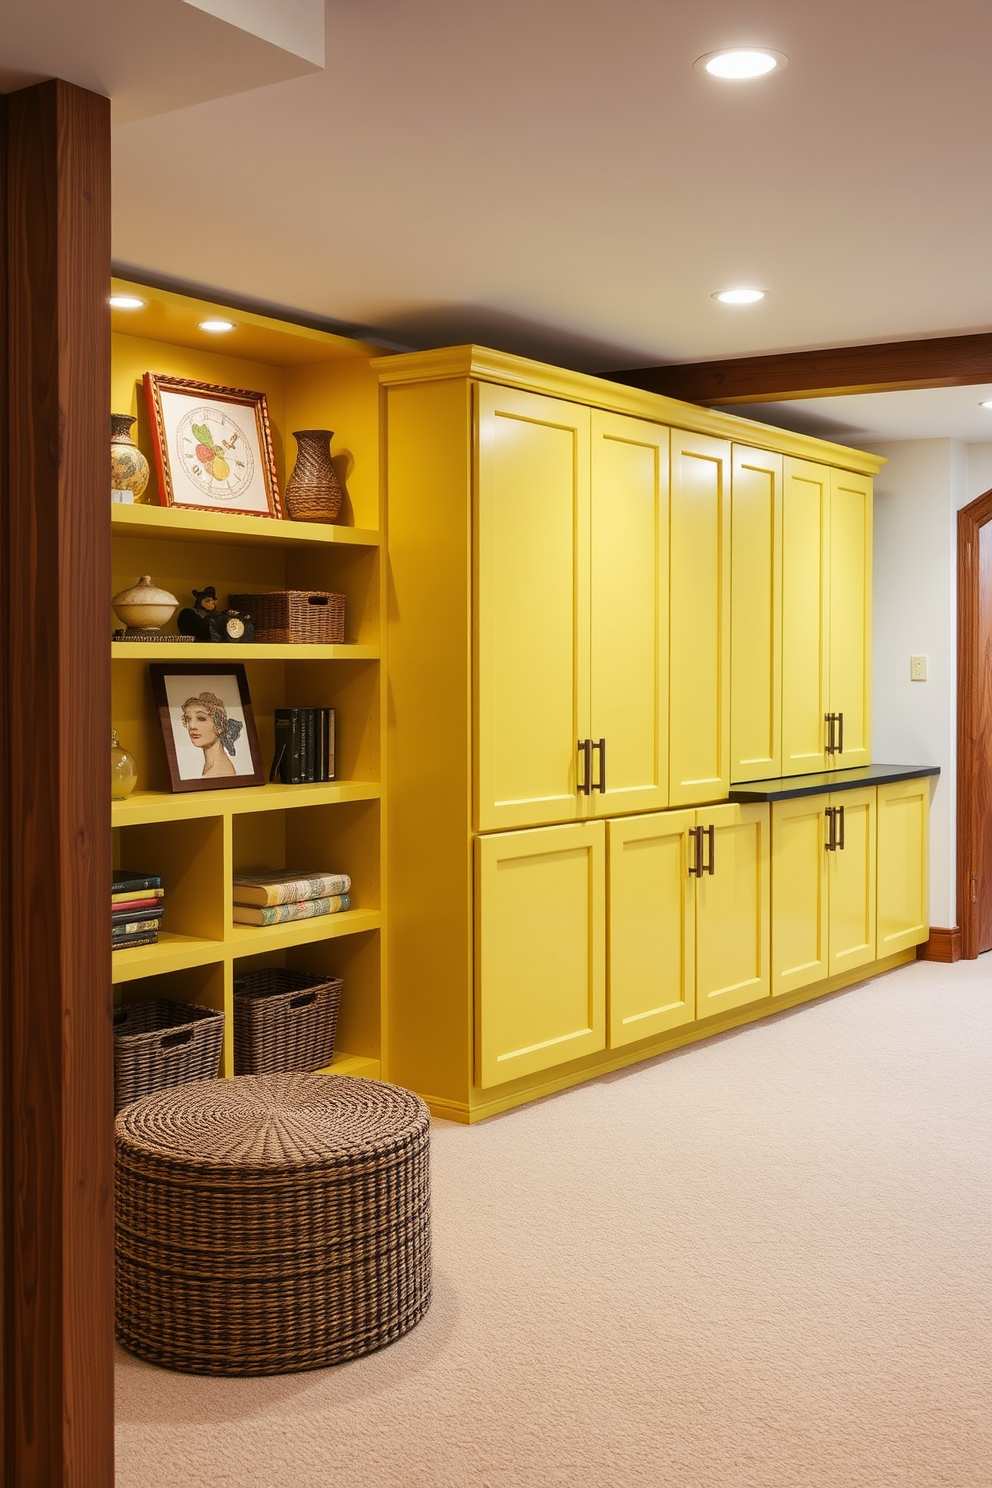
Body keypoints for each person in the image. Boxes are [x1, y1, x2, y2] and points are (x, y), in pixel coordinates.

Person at [181, 691, 243, 777]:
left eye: (201, 719)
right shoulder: (210, 766)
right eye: (188, 719)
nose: (192, 726)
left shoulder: (218, 771)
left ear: (220, 725)